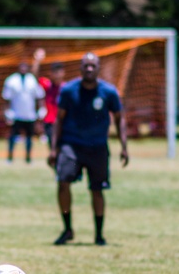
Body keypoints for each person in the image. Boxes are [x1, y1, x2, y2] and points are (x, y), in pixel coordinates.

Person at [48, 52, 129, 246]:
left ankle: (99, 235)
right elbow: (58, 120)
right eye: (86, 65)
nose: (89, 69)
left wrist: (124, 147)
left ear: (99, 68)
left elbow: (119, 119)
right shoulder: (68, 90)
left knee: (97, 190)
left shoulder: (109, 92)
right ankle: (67, 229)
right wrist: (53, 149)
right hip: (71, 145)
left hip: (98, 147)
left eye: (93, 65)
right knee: (63, 182)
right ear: (80, 68)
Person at [1, 59, 46, 163]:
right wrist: (7, 112)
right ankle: (10, 158)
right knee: (12, 137)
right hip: (16, 114)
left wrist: (42, 108)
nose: (23, 69)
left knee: (29, 138)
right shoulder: (11, 80)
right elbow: (6, 99)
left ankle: (28, 159)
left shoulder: (32, 80)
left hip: (29, 115)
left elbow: (39, 96)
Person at [32, 48, 66, 149]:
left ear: (63, 73)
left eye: (59, 72)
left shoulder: (66, 88)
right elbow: (34, 76)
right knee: (53, 149)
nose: (57, 74)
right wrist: (37, 61)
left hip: (63, 122)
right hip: (50, 123)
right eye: (55, 72)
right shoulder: (48, 85)